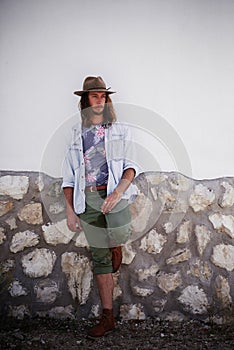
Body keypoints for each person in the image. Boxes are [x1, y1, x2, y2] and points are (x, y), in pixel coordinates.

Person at [62, 76, 138, 338]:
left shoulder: (120, 130)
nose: (99, 100)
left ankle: (115, 244)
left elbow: (131, 166)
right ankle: (107, 317)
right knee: (100, 259)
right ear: (85, 100)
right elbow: (69, 177)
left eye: (103, 95)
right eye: (94, 96)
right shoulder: (76, 134)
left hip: (114, 194)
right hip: (88, 199)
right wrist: (71, 210)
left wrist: (118, 193)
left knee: (119, 233)